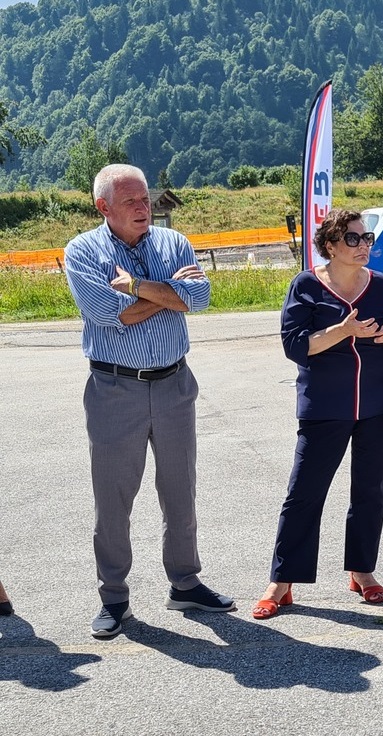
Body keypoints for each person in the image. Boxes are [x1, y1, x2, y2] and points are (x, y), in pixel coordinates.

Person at [64, 164, 234, 640]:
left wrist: (137, 288)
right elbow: (104, 315)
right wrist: (170, 294)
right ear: (103, 207)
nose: (144, 208)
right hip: (115, 389)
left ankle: (185, 582)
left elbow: (199, 299)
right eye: (131, 201)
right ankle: (114, 597)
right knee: (114, 498)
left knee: (181, 490)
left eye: (146, 199)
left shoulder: (173, 244)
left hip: (176, 384)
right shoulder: (83, 251)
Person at [253, 210, 383, 620]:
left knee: (370, 491)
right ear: (330, 246)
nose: (364, 246)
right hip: (324, 407)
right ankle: (282, 581)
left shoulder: (382, 286)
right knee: (304, 493)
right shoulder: (305, 285)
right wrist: (343, 330)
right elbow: (295, 347)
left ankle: (362, 571)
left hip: (377, 407)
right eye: (354, 239)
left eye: (367, 238)